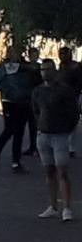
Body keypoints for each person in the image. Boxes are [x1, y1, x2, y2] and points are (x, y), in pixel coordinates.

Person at [31, 58, 78, 221]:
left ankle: (67, 208)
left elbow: (74, 112)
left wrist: (67, 128)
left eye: (48, 69)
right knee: (49, 170)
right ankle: (52, 205)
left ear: (54, 71)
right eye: (43, 69)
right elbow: (35, 110)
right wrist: (40, 125)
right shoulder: (37, 91)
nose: (45, 72)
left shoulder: (64, 90)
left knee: (62, 170)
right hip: (43, 134)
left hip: (60, 135)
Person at [0, 48, 38, 173]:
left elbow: (34, 81)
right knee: (9, 129)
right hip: (10, 102)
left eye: (17, 52)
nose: (15, 55)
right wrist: (8, 90)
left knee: (19, 132)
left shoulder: (26, 67)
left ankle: (16, 162)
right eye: (11, 53)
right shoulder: (5, 67)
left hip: (24, 102)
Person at [59, 46, 82, 157]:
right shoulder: (61, 66)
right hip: (61, 96)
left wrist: (75, 93)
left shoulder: (75, 66)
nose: (62, 56)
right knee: (62, 120)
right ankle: (64, 145)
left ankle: (71, 147)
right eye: (61, 54)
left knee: (72, 120)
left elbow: (79, 82)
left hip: (73, 96)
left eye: (64, 54)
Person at [24, 47, 44, 155]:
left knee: (36, 124)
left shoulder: (40, 68)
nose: (33, 57)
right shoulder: (25, 68)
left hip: (37, 98)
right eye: (32, 55)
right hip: (26, 98)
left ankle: (38, 147)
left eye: (35, 55)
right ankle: (32, 146)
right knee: (30, 125)